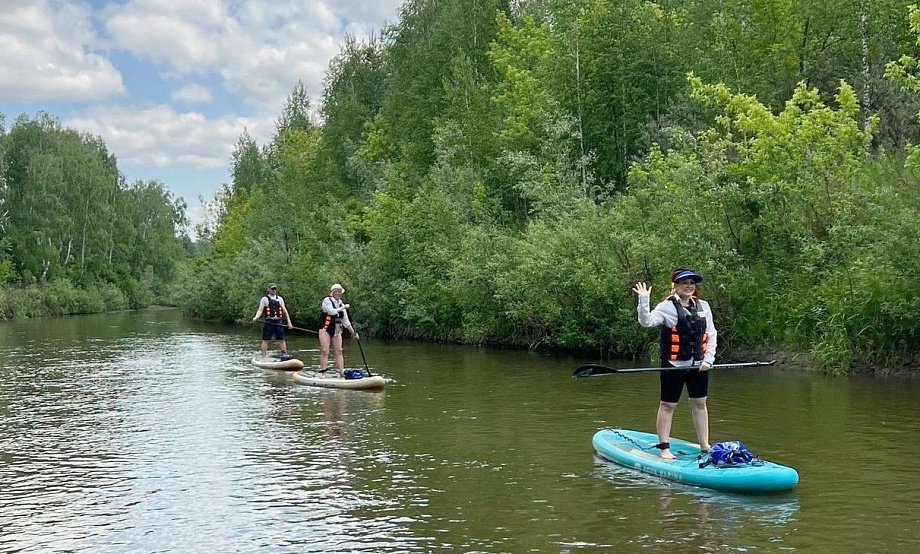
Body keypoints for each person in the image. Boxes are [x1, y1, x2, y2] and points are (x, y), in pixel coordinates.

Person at [632, 267, 718, 460]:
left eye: (691, 283)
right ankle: (664, 448)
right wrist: (643, 300)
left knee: (700, 403)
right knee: (668, 405)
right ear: (676, 286)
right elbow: (647, 322)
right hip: (674, 365)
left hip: (699, 364)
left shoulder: (703, 306)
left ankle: (705, 445)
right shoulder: (667, 307)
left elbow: (711, 334)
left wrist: (709, 359)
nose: (689, 286)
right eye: (684, 283)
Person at [317, 283, 359, 377]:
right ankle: (323, 373)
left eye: (341, 292)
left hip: (336, 328)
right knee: (325, 350)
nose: (340, 294)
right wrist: (343, 307)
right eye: (338, 292)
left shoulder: (341, 304)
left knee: (339, 351)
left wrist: (353, 333)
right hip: (325, 328)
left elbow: (346, 322)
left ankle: (341, 372)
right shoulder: (327, 300)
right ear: (333, 292)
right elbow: (331, 312)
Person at [252, 283, 293, 359]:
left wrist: (289, 322)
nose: (274, 290)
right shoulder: (264, 299)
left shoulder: (280, 299)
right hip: (269, 322)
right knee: (265, 340)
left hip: (278, 321)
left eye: (275, 289)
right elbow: (260, 310)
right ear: (268, 289)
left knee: (282, 339)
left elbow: (285, 311)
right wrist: (256, 317)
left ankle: (284, 355)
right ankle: (264, 357)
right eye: (272, 289)